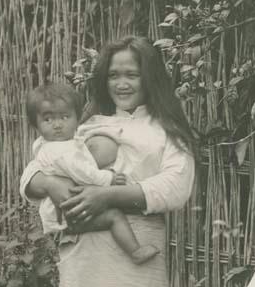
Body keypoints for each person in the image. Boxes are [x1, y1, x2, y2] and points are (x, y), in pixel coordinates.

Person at [20, 36, 195, 287]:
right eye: (114, 75)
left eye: (132, 74)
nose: (122, 83)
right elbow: (32, 174)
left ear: (150, 77)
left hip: (135, 245)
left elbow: (176, 186)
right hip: (83, 246)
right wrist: (52, 184)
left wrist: (108, 195)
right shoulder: (86, 126)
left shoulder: (166, 131)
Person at [24, 82, 160, 264]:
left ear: (77, 118)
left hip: (68, 209)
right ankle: (135, 251)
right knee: (114, 217)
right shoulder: (60, 150)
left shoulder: (47, 144)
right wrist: (109, 178)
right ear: (36, 125)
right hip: (70, 212)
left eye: (65, 117)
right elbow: (83, 174)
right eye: (48, 120)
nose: (57, 125)